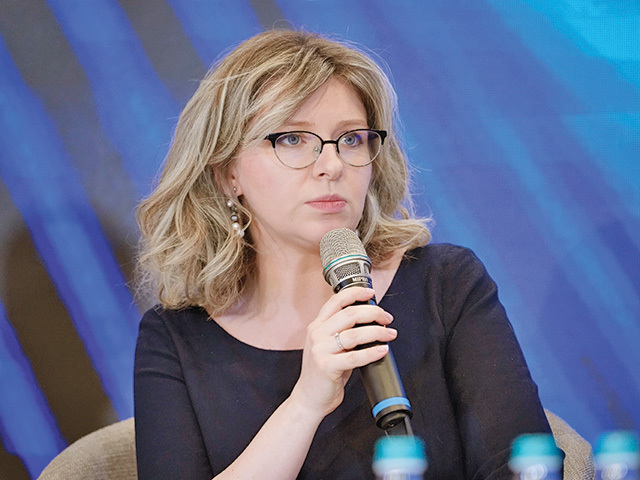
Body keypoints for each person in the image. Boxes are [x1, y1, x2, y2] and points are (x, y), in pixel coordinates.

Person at [134, 29, 552, 479]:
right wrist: (305, 404)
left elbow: (524, 468)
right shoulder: (175, 339)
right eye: (292, 139)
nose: (332, 165)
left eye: (351, 139)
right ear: (226, 174)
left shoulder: (446, 285)